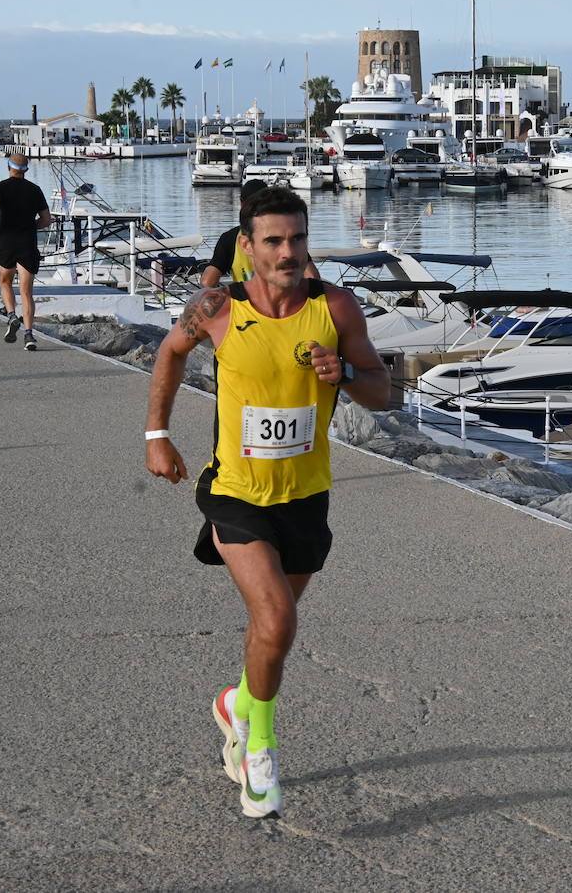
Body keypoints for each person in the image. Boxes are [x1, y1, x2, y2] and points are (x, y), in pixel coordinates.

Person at [145, 187, 389, 818]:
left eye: (299, 239)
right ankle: (260, 752)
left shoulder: (334, 307)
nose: (288, 253)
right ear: (246, 248)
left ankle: (235, 706)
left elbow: (383, 392)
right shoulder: (217, 308)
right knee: (278, 622)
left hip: (306, 497)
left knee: (267, 634)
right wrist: (157, 435)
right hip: (235, 493)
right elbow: (169, 354)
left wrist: (348, 376)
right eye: (274, 241)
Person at [0, 153, 52, 351]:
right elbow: (47, 219)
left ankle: (12, 315)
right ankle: (29, 335)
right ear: (26, 170)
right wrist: (33, 226)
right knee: (26, 291)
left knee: (5, 281)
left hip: (7, 240)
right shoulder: (35, 190)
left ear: (8, 167)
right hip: (27, 242)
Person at [200, 179, 320, 288]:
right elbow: (312, 277)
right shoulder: (286, 235)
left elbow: (207, 282)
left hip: (245, 304)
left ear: (241, 203)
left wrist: (230, 300)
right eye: (272, 241)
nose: (287, 251)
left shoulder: (230, 238)